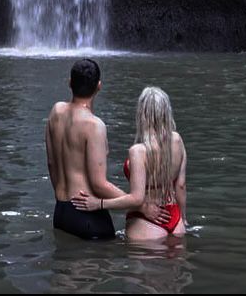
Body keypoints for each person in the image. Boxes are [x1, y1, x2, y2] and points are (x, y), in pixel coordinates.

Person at [45, 58, 168, 240]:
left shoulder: (56, 111)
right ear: (99, 86)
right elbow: (98, 184)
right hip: (87, 214)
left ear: (70, 82)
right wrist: (140, 205)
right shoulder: (94, 126)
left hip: (61, 211)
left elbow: (51, 163)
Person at [71, 85, 187, 241]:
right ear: (166, 112)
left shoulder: (138, 151)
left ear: (142, 114)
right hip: (174, 216)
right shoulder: (177, 140)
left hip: (146, 221)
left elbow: (137, 199)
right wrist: (183, 218)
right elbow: (181, 185)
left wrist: (99, 204)